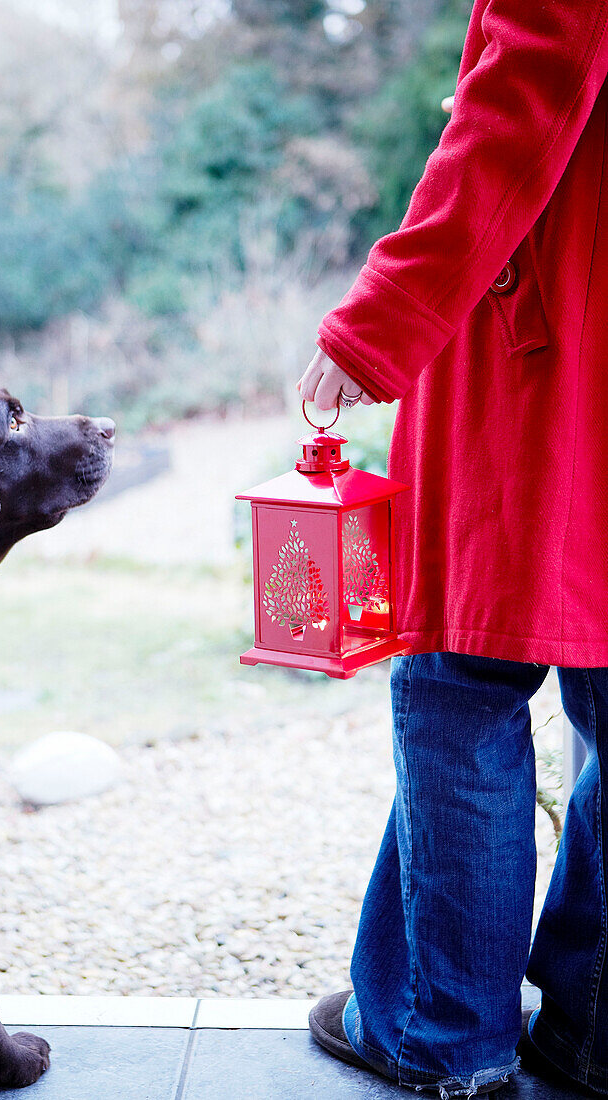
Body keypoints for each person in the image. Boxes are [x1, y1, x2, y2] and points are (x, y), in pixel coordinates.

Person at [297, 0, 608, 1094]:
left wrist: (374, 321)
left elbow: (517, 104)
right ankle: (589, 1025)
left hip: (552, 360)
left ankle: (445, 1033)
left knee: (457, 682)